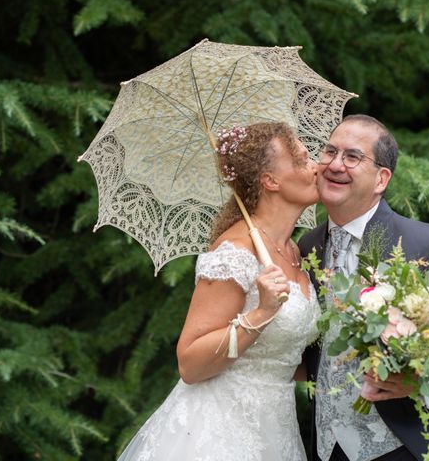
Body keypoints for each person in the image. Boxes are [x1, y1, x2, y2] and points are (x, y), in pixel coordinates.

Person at [117, 122, 321, 461]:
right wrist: (262, 313)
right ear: (270, 181)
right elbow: (190, 363)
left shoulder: (296, 252)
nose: (316, 166)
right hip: (218, 432)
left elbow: (279, 356)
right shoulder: (235, 253)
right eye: (302, 159)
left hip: (276, 429)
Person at [298, 114, 429, 461]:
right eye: (329, 152)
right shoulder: (307, 246)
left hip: (411, 444)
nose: (336, 165)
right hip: (329, 448)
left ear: (382, 178)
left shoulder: (426, 243)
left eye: (352, 157)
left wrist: (418, 379)